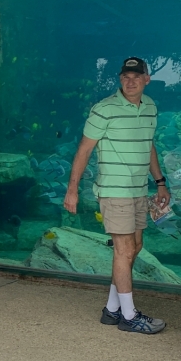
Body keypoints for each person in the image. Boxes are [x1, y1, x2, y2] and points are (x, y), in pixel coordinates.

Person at [64, 57, 170, 334]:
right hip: (114, 190)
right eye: (125, 76)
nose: (130, 81)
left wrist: (160, 182)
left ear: (147, 79)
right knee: (123, 250)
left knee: (134, 248)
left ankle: (112, 310)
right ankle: (129, 316)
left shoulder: (150, 107)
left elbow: (149, 147)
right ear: (119, 79)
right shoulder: (103, 110)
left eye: (136, 76)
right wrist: (72, 189)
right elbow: (84, 150)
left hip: (139, 189)